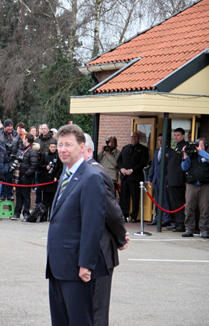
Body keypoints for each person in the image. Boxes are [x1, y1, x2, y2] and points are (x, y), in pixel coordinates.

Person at [46, 124, 107, 326]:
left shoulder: (91, 178)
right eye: (60, 144)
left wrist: (85, 264)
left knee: (79, 321)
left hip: (76, 269)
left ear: (82, 148)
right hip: (58, 266)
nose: (63, 149)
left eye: (68, 145)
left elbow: (93, 225)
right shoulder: (66, 174)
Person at [83, 133, 128, 326]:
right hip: (84, 251)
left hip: (100, 251)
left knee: (97, 310)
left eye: (73, 146)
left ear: (88, 150)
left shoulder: (97, 173)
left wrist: (121, 239)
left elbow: (111, 211)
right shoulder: (77, 171)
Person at [117, 132, 149, 222]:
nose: (133, 138)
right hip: (124, 177)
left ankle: (134, 216)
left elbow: (143, 162)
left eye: (135, 137)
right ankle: (124, 215)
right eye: (132, 137)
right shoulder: (125, 148)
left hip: (135, 178)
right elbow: (119, 160)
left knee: (135, 198)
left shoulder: (143, 149)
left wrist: (132, 170)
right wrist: (121, 169)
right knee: (124, 197)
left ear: (138, 138)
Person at [181, 138, 209, 238]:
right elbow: (184, 167)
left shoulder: (206, 156)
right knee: (189, 208)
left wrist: (202, 152)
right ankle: (189, 229)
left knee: (205, 209)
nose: (198, 147)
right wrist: (185, 155)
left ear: (205, 146)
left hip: (205, 186)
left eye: (200, 145)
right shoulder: (191, 156)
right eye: (197, 145)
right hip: (192, 185)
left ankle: (204, 230)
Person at [147, 133, 174, 226]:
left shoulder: (170, 152)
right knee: (157, 200)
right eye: (159, 139)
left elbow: (171, 168)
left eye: (162, 139)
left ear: (166, 140)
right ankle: (157, 218)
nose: (160, 141)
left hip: (165, 180)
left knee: (165, 199)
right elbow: (153, 166)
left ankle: (166, 219)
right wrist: (149, 178)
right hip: (156, 180)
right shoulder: (156, 151)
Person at [166, 128, 189, 233]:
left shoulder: (184, 147)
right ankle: (176, 222)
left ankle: (181, 223)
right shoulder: (176, 147)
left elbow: (185, 165)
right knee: (173, 203)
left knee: (179, 203)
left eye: (178, 135)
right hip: (172, 180)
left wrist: (184, 180)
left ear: (183, 136)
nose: (176, 137)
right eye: (174, 135)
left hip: (178, 180)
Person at [12, 133, 39, 221]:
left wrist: (26, 174)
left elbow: (33, 165)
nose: (23, 140)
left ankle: (26, 212)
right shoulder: (21, 150)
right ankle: (17, 212)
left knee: (26, 195)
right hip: (18, 175)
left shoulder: (32, 151)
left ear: (27, 139)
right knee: (18, 194)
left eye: (24, 138)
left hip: (26, 176)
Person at [0, 119, 22, 201]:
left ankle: (9, 195)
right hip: (1, 159)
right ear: (5, 126)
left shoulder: (16, 135)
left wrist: (16, 157)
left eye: (11, 126)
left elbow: (20, 148)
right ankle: (2, 195)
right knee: (2, 177)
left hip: (12, 159)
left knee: (9, 178)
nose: (10, 128)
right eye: (8, 126)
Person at [36, 140, 62, 217]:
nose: (53, 148)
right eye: (51, 147)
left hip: (54, 180)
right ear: (49, 147)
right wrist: (45, 167)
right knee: (45, 199)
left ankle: (51, 215)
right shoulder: (45, 155)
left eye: (54, 147)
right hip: (46, 180)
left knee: (53, 199)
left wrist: (56, 177)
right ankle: (44, 215)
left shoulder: (58, 156)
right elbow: (39, 165)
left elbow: (60, 168)